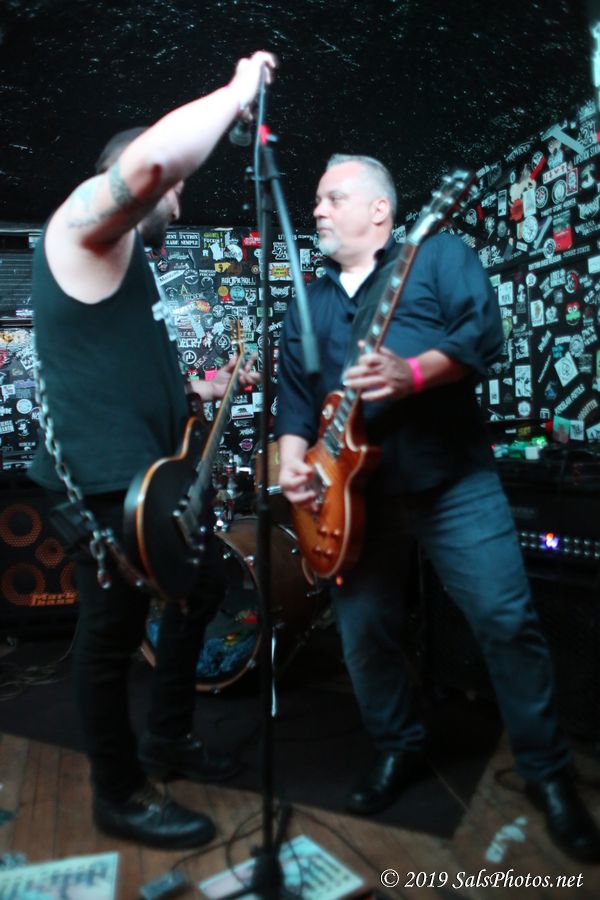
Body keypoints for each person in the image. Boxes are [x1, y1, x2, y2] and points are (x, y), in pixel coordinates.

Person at [274, 154, 600, 862]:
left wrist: (412, 373)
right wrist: (294, 463)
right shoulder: (307, 302)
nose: (317, 210)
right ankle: (398, 746)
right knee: (365, 638)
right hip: (353, 499)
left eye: (332, 198)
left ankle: (547, 772)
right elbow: (295, 402)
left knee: (505, 621)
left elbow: (481, 335)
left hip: (453, 481)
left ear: (380, 211)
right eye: (316, 200)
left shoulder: (439, 255)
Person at [28, 50, 276, 850]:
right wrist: (237, 91)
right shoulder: (80, 227)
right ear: (128, 179)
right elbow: (156, 162)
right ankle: (119, 792)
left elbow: (126, 364)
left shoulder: (129, 267)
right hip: (104, 484)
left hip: (149, 475)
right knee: (110, 635)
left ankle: (168, 740)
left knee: (197, 591)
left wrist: (202, 388)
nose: (177, 197)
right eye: (170, 191)